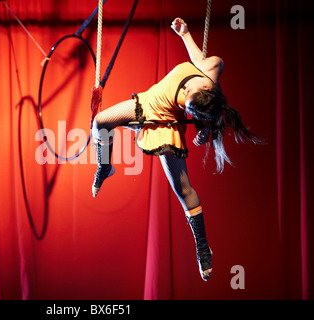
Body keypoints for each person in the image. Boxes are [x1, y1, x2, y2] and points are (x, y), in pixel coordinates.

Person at [90, 18, 261, 281]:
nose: (187, 90)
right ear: (204, 85)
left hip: (167, 125)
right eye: (190, 93)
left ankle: (203, 247)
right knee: (100, 122)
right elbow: (197, 59)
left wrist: (206, 129)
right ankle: (105, 166)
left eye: (189, 105)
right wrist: (185, 34)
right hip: (148, 104)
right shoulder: (212, 67)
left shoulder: (205, 105)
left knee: (183, 189)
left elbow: (209, 116)